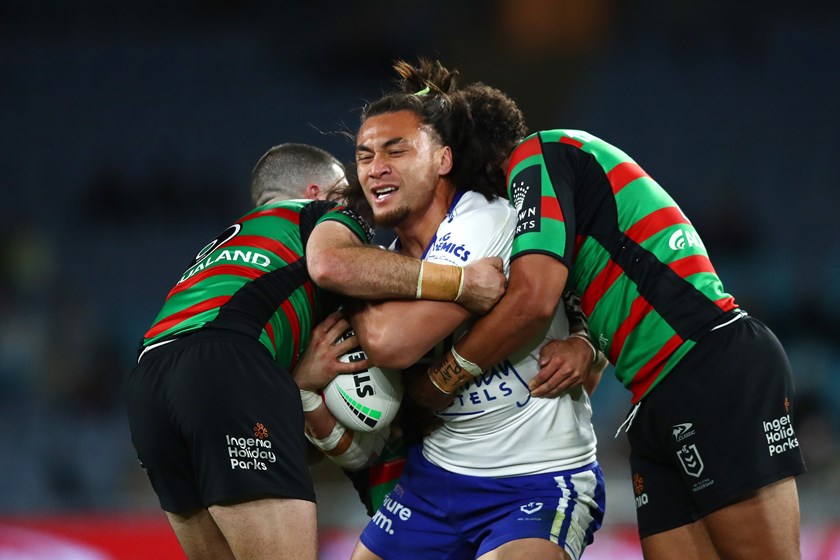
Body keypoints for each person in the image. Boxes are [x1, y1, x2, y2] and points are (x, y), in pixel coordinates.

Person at [417, 91, 808, 558]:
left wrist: (445, 377)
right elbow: (590, 333)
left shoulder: (538, 154)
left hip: (708, 364)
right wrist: (585, 342)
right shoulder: (551, 210)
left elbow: (532, 302)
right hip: (653, 395)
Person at [123, 142, 506, 560]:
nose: (354, 204)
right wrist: (461, 282)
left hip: (147, 383)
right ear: (316, 192)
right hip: (226, 364)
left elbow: (287, 445)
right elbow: (336, 265)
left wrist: (297, 385)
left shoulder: (224, 252)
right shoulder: (320, 217)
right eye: (344, 192)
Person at [303, 59, 607, 560]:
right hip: (437, 479)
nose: (374, 166)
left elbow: (391, 342)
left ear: (443, 159)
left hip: (538, 478)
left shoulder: (484, 218)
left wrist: (362, 288)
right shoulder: (392, 263)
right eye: (363, 156)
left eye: (395, 149)